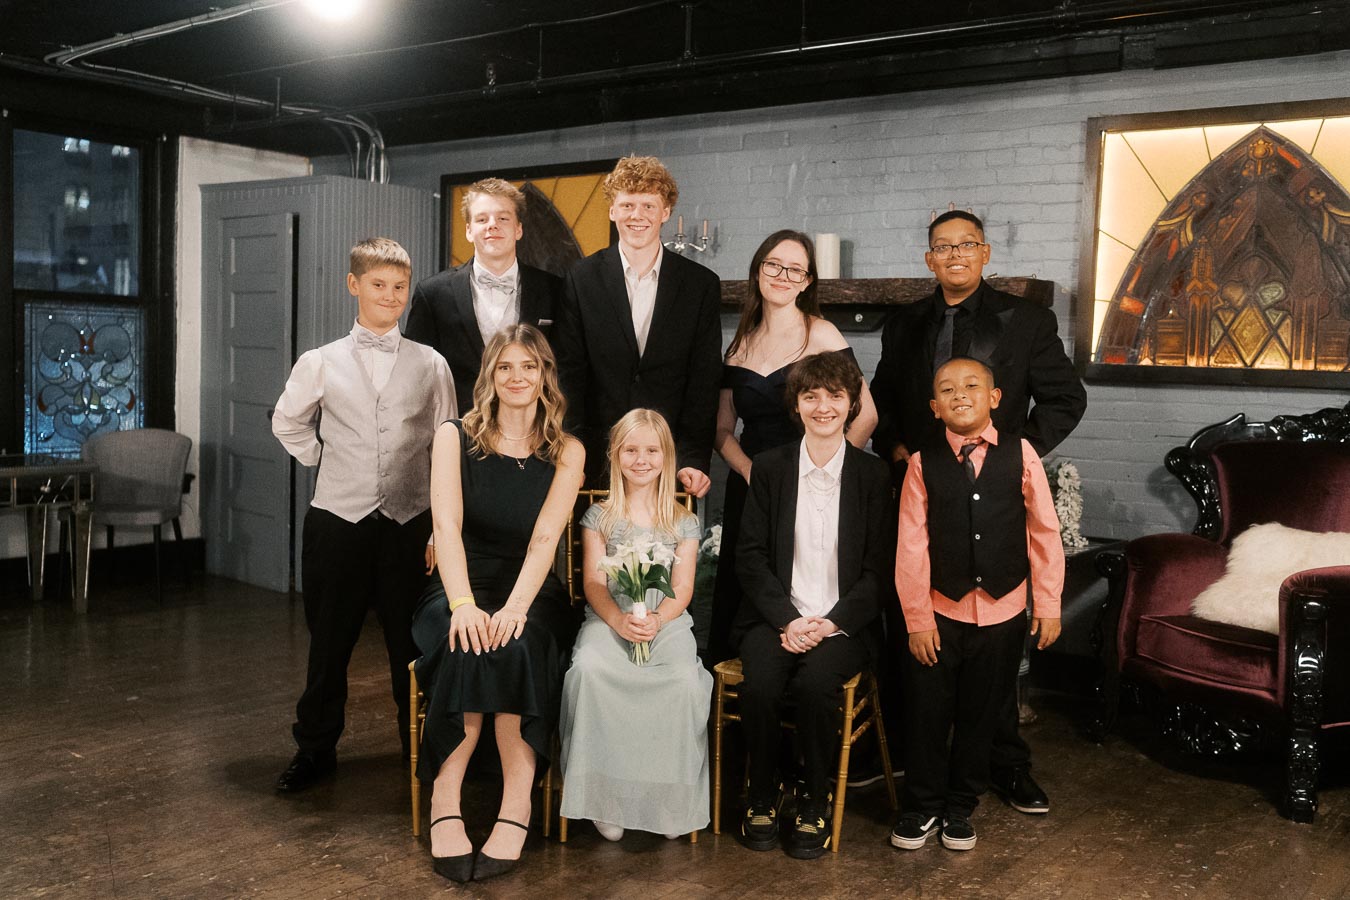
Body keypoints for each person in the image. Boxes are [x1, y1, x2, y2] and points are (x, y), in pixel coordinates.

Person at [870, 209, 1086, 814]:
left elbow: (1067, 398)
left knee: (994, 642)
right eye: (943, 246)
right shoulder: (906, 324)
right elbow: (884, 398)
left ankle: (1003, 762)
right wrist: (893, 445)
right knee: (926, 635)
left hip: (994, 500)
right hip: (921, 490)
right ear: (929, 259)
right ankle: (919, 767)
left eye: (967, 244)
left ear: (986, 254)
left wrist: (1015, 460)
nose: (956, 254)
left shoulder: (1028, 320)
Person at [271, 237, 455, 794]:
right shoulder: (319, 361)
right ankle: (315, 750)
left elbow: (448, 441)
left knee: (412, 646)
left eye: (400, 287)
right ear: (354, 285)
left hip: (411, 525)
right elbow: (288, 423)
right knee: (329, 644)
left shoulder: (431, 363)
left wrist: (441, 530)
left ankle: (418, 747)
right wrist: (329, 458)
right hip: (337, 522)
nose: (390, 296)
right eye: (379, 285)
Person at [411, 324, 585, 883]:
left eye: (529, 367)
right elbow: (448, 526)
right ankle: (446, 797)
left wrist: (514, 609)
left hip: (531, 587)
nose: (517, 378)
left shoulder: (568, 450)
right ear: (490, 374)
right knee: (462, 641)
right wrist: (462, 604)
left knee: (518, 644)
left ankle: (517, 803)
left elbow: (544, 541)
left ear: (544, 377)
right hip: (460, 580)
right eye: (505, 367)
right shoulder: (452, 436)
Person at [889, 357, 1063, 853]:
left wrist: (1047, 604)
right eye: (946, 389)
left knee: (981, 714)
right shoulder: (922, 464)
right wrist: (918, 620)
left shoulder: (1022, 454)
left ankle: (961, 807)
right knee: (926, 711)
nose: (959, 394)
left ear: (995, 397)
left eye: (971, 386)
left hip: (1003, 611)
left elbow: (1045, 534)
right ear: (934, 407)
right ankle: (921, 806)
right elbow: (911, 547)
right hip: (940, 614)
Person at [733, 352, 893, 860]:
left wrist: (830, 623)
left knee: (815, 684)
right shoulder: (771, 468)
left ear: (850, 405)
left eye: (834, 396)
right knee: (758, 683)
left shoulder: (873, 475)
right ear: (796, 405)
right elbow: (750, 556)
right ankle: (762, 788)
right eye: (811, 396)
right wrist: (788, 619)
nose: (822, 406)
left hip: (845, 623)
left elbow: (877, 572)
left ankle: (814, 795)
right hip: (778, 615)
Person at [708, 229, 877, 664]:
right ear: (758, 271)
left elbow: (867, 414)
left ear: (807, 281)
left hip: (816, 483)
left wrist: (829, 473)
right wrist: (751, 473)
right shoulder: (738, 344)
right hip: (753, 483)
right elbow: (722, 429)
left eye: (795, 269)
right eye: (773, 265)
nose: (783, 275)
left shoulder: (822, 334)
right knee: (752, 596)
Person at [559, 408, 712, 841]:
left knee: (682, 681)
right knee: (590, 669)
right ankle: (607, 799)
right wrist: (620, 620)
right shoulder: (599, 516)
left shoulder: (683, 521)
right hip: (611, 617)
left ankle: (663, 800)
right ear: (615, 454)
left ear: (666, 456)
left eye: (651, 450)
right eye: (630, 450)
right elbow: (594, 581)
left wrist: (656, 620)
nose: (640, 459)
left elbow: (681, 590)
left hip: (666, 622)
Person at [553, 155, 722, 494]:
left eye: (648, 205)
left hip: (670, 461)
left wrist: (694, 458)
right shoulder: (581, 279)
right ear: (612, 210)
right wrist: (575, 457)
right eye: (627, 204)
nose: (637, 215)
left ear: (666, 212)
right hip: (598, 460)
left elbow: (704, 379)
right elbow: (570, 374)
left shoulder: (700, 284)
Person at [405, 177, 562, 405]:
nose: (492, 225)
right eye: (481, 219)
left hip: (533, 429)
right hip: (460, 428)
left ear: (518, 229)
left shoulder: (554, 290)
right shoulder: (433, 294)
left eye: (503, 218)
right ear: (469, 230)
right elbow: (417, 376)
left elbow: (565, 369)